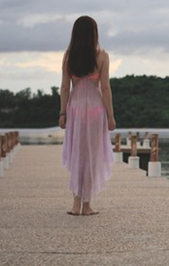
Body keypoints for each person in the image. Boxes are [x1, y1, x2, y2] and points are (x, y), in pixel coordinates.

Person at [59, 16, 117, 216]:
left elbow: (65, 87)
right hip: (95, 110)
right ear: (94, 33)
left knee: (78, 154)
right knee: (92, 156)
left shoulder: (69, 56)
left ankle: (76, 204)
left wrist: (62, 113)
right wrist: (111, 116)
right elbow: (106, 87)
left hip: (75, 109)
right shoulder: (102, 56)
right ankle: (87, 205)